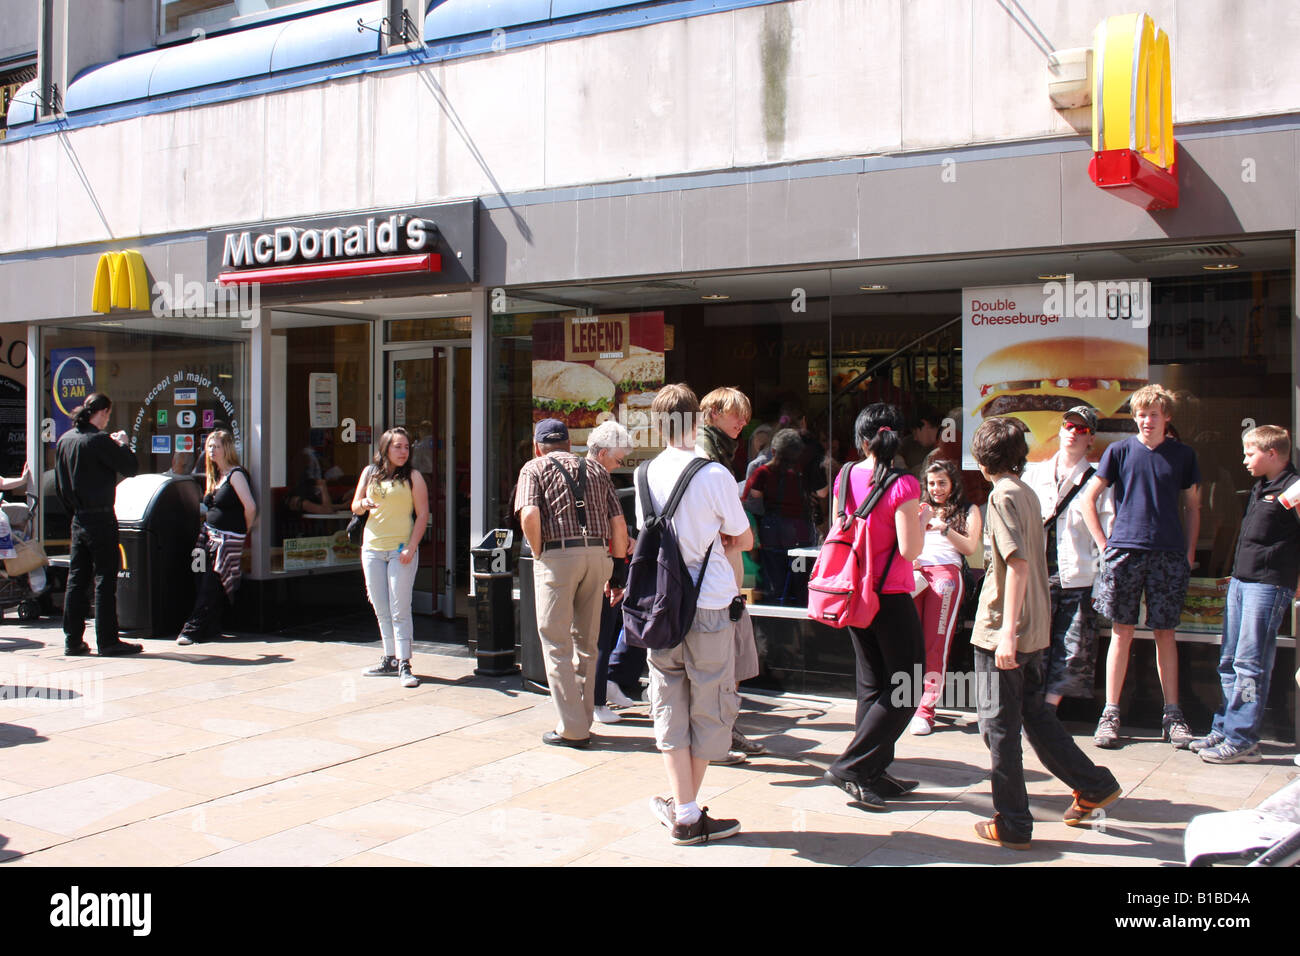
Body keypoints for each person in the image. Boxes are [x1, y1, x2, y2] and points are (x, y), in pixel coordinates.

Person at [968, 416, 1122, 850]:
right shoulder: (1028, 492)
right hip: (1033, 623)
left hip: (1005, 626)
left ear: (981, 458)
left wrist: (1006, 635)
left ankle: (1013, 821)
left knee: (997, 726)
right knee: (1034, 715)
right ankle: (1093, 784)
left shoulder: (1001, 496)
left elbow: (1015, 564)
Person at [642, 384, 752, 844]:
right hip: (708, 604)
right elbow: (742, 539)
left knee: (669, 704)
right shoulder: (714, 475)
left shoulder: (644, 473)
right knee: (710, 706)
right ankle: (687, 812)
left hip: (662, 608)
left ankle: (683, 805)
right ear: (695, 422)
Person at [1082, 384, 1201, 749]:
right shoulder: (1119, 451)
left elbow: (1194, 506)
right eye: (1140, 414)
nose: (1146, 420)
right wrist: (1106, 545)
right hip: (1126, 552)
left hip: (1167, 552)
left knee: (1166, 632)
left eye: (1152, 414)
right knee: (1122, 631)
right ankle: (1110, 713)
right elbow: (1089, 499)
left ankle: (1173, 715)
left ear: (1166, 417)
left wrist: (1189, 552)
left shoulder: (1183, 455)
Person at [821, 404, 926, 812]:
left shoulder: (845, 476)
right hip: (890, 594)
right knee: (908, 684)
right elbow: (910, 548)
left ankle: (872, 769)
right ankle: (851, 767)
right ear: (895, 438)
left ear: (861, 438)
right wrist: (920, 518)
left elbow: (838, 531)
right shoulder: (904, 484)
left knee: (873, 683)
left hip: (851, 591)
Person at [1189, 426, 1300, 763]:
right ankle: (1225, 727)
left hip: (1267, 586)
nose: (1244, 460)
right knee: (1229, 662)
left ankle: (1243, 738)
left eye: (1250, 454)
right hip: (1241, 582)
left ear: (1272, 454)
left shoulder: (1293, 488)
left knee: (1250, 665)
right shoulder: (1260, 486)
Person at [514, 418, 629, 746]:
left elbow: (530, 515)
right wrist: (618, 573)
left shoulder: (533, 468)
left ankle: (573, 729)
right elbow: (618, 525)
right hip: (597, 556)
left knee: (556, 643)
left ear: (538, 446)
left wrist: (539, 552)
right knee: (587, 643)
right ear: (569, 444)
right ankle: (584, 719)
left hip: (558, 556)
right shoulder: (595, 470)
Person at [1022, 406, 1114, 711]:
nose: (1074, 432)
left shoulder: (1098, 480)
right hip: (1038, 575)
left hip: (1078, 575)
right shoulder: (1033, 474)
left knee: (1072, 648)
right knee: (1034, 645)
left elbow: (1107, 533)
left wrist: (1102, 581)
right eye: (1069, 426)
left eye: (1082, 429)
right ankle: (1032, 706)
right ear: (1060, 430)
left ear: (1091, 439)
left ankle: (1048, 709)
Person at [698, 387, 765, 764]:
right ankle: (719, 734)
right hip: (715, 571)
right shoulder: (707, 458)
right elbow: (725, 526)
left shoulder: (720, 454)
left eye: (744, 415)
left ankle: (725, 729)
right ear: (712, 414)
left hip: (724, 567)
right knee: (725, 658)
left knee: (733, 656)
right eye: (734, 414)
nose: (742, 422)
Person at [54, 393, 142, 656]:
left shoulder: (66, 440)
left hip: (78, 516)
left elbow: (60, 486)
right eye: (108, 414)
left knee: (77, 579)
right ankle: (107, 640)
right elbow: (130, 467)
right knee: (105, 578)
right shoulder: (99, 441)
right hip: (101, 516)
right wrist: (124, 444)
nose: (107, 420)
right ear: (102, 412)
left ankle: (73, 639)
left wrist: (75, 509)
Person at [352, 427, 430, 689]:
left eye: (407, 447)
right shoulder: (370, 473)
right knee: (380, 606)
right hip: (372, 548)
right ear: (385, 448)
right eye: (398, 446)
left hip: (400, 550)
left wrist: (411, 546)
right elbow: (354, 504)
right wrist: (363, 504)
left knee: (400, 608)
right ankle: (389, 658)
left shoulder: (413, 477)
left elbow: (422, 515)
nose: (403, 451)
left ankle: (405, 663)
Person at [909, 458, 982, 735]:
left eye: (942, 482)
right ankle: (907, 704)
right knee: (910, 643)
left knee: (935, 644)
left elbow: (970, 546)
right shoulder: (919, 508)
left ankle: (925, 710)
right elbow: (905, 541)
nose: (936, 488)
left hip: (945, 576)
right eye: (931, 483)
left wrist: (944, 528)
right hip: (915, 575)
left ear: (953, 483)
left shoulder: (968, 510)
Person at [177, 430, 257, 645]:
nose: (212, 450)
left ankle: (191, 630)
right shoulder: (215, 475)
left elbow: (250, 507)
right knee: (197, 572)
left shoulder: (236, 474)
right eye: (210, 446)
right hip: (206, 535)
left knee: (211, 580)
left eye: (217, 446)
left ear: (227, 449)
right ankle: (210, 625)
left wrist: (244, 531)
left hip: (225, 539)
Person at [585, 419, 635, 726]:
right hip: (601, 566)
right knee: (601, 635)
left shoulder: (577, 474)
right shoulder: (599, 479)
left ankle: (600, 690)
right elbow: (610, 527)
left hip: (586, 564)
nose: (618, 466)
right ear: (603, 453)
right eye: (617, 459)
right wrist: (615, 573)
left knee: (601, 634)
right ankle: (596, 699)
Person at [744, 428, 815, 607]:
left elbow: (752, 498)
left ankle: (775, 619)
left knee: (775, 581)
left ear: (773, 451)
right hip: (800, 535)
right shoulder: (802, 474)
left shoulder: (762, 473)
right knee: (800, 580)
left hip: (773, 536)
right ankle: (800, 616)